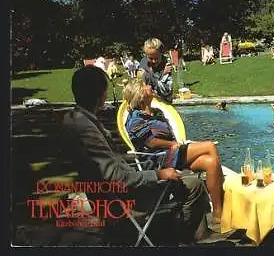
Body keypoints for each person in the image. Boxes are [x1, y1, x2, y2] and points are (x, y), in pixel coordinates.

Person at [61, 66, 211, 244]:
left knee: (186, 174)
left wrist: (149, 167)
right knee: (193, 183)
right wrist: (158, 174)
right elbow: (115, 177)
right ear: (100, 94)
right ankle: (187, 238)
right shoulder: (86, 129)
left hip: (114, 191)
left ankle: (194, 234)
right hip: (125, 199)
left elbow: (112, 167)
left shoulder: (77, 119)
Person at [123, 79, 225, 223]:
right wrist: (172, 144)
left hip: (173, 153)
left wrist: (178, 144)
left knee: (211, 162)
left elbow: (170, 135)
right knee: (210, 146)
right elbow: (150, 142)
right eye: (145, 86)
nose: (149, 86)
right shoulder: (135, 118)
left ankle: (218, 213)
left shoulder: (157, 112)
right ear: (139, 94)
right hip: (158, 159)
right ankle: (220, 199)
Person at [138, 38, 174, 103]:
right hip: (148, 103)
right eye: (150, 58)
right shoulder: (143, 62)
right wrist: (162, 75)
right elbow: (140, 86)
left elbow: (167, 91)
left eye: (156, 58)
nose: (154, 61)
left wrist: (149, 76)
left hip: (164, 103)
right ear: (146, 55)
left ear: (161, 53)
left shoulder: (167, 64)